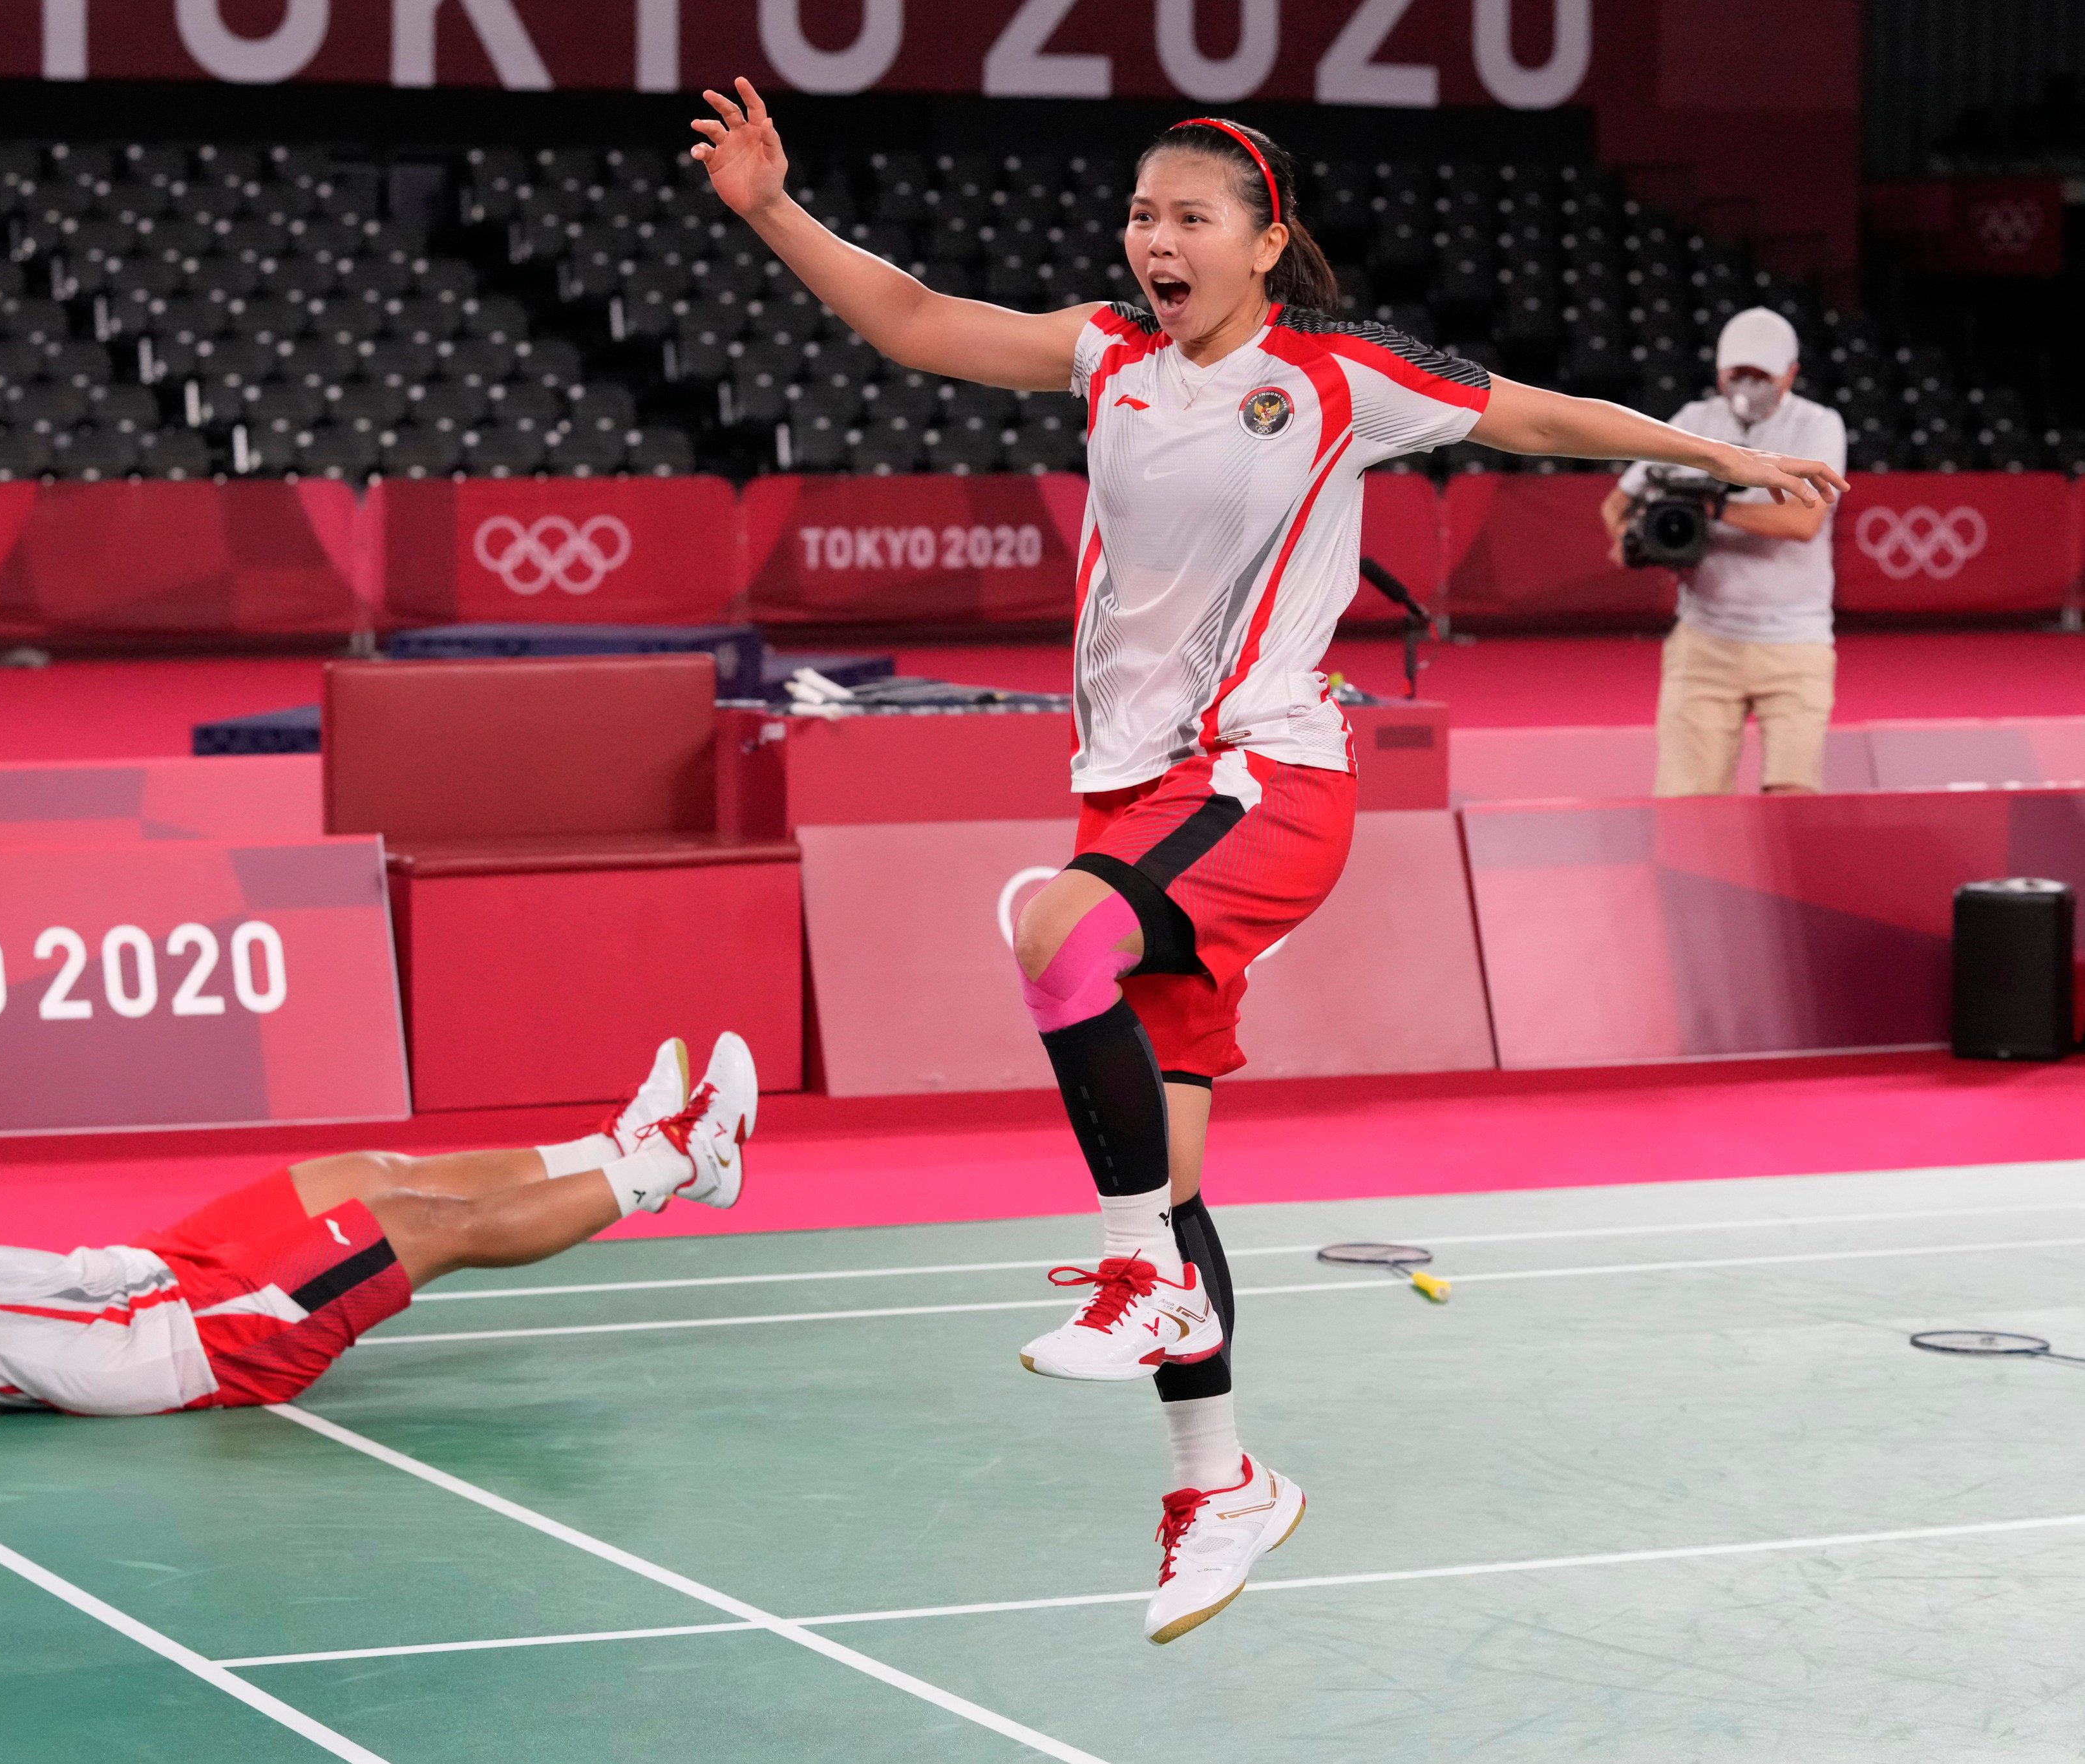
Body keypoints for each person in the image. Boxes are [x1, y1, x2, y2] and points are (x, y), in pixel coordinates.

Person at [692, 85, 1845, 1644]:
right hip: (1130, 794)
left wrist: (1717, 469)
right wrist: (768, 206)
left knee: (1052, 936)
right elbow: (909, 318)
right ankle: (1216, 1478)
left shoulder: (1333, 372)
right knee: (1170, 1168)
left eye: (1190, 220)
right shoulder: (1108, 353)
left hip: (1268, 776)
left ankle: (1132, 1271)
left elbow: (1541, 415)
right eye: (1143, 217)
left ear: (1265, 244)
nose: (1155, 241)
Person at [0, 972, 755, 1414]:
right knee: (432, 1230)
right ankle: (682, 1162)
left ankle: (608, 1145)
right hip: (203, 1341)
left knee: (372, 1173)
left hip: (154, 1270)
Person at [1598, 306, 1851, 796]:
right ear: (1718, 371)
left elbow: (1803, 521)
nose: (1748, 387)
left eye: (1762, 377)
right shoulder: (1693, 422)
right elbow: (1616, 503)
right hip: (1703, 643)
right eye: (1739, 375)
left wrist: (1710, 509)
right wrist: (1629, 539)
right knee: (1687, 805)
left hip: (1795, 644)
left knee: (1793, 805)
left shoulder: (1818, 426)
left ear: (1791, 375)